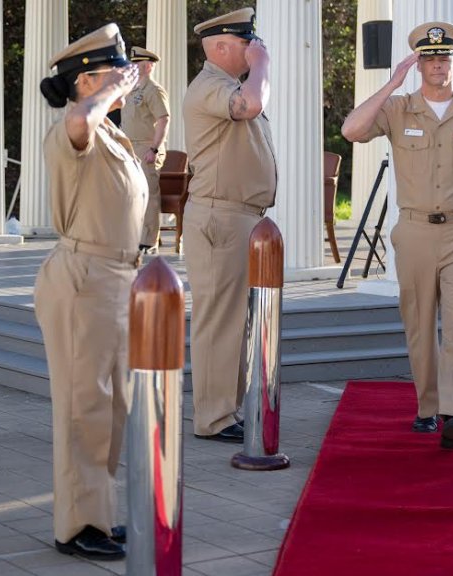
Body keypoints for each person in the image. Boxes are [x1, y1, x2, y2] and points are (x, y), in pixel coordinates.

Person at [341, 21, 453, 449]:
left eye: (445, 58)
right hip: (414, 230)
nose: (438, 65)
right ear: (419, 64)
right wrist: (391, 81)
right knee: (418, 324)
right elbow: (351, 130)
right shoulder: (398, 108)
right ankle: (427, 408)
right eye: (429, 58)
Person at [35, 23, 143, 560]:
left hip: (115, 279)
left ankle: (95, 513)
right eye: (116, 72)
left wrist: (112, 93)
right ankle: (77, 526)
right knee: (84, 406)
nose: (129, 80)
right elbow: (81, 117)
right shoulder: (74, 128)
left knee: (110, 406)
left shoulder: (110, 135)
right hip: (84, 279)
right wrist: (110, 92)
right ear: (86, 82)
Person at [183, 7, 276, 443]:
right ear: (220, 47)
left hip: (238, 216)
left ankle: (226, 410)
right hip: (221, 215)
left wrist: (255, 66)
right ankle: (214, 417)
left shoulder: (225, 86)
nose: (255, 49)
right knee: (219, 320)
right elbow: (253, 105)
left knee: (233, 320)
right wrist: (263, 65)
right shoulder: (209, 88)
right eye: (246, 43)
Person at [121, 46, 170, 254]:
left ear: (149, 66)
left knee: (148, 195)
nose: (134, 66)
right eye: (133, 63)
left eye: (138, 63)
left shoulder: (153, 90)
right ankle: (135, 236)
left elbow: (163, 119)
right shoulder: (132, 90)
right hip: (130, 147)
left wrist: (154, 148)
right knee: (132, 194)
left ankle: (149, 240)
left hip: (146, 147)